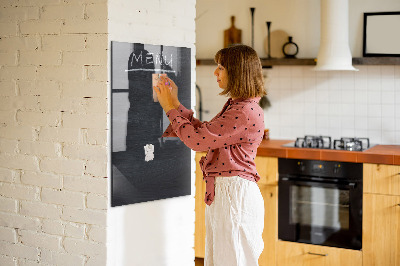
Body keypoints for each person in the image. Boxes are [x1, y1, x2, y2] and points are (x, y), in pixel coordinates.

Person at [153, 44, 266, 266]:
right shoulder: (239, 106)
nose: (215, 72)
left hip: (234, 195)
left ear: (237, 71)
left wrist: (169, 108)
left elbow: (197, 141)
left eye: (221, 67)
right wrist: (175, 103)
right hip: (228, 193)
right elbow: (205, 133)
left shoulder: (243, 111)